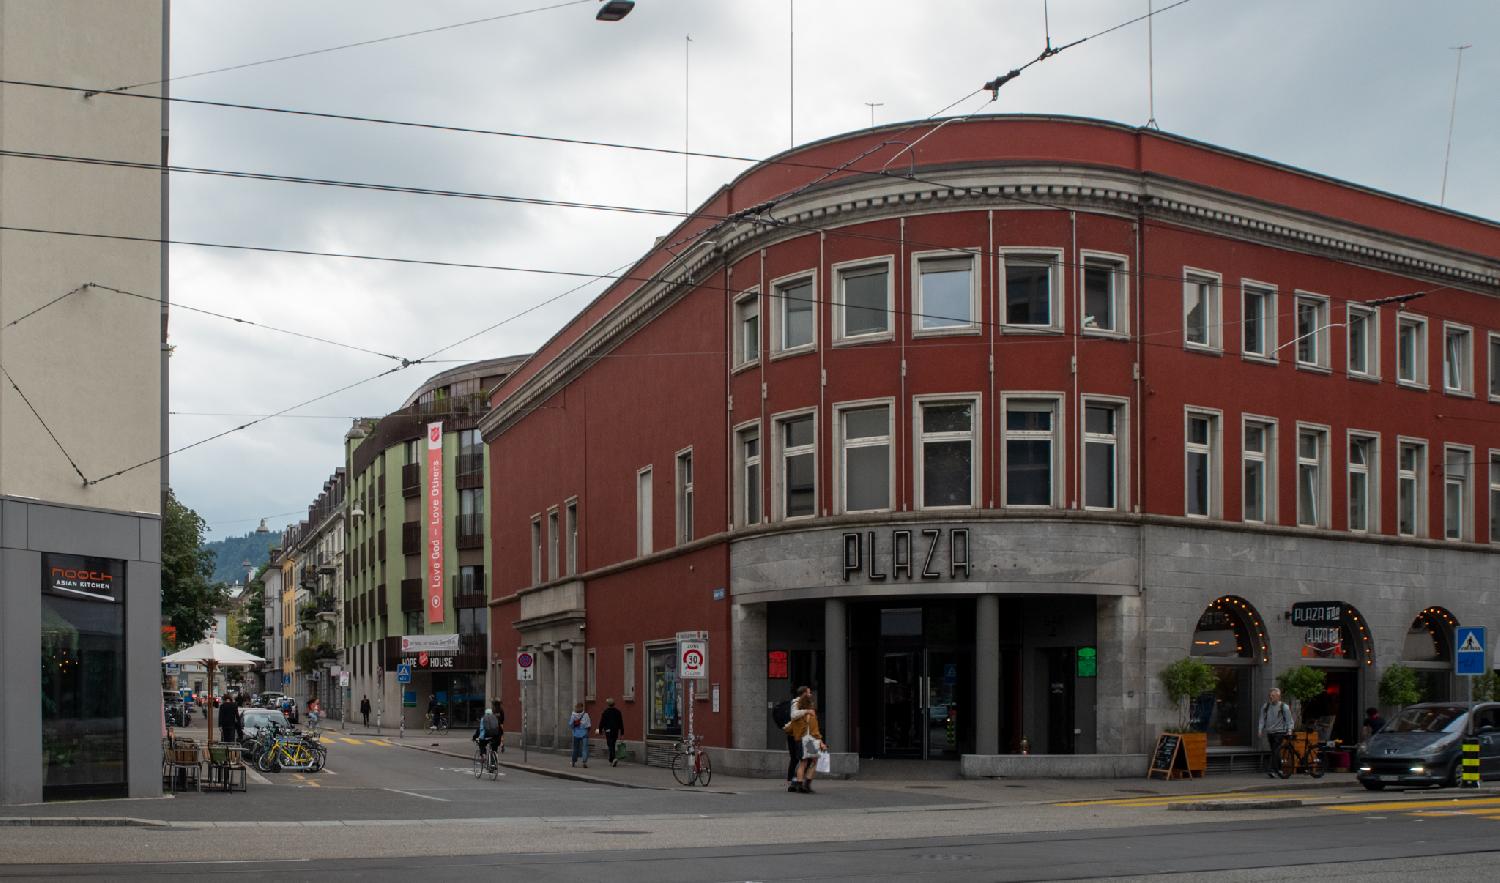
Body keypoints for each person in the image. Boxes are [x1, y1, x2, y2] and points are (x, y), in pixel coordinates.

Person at [785, 691, 826, 793]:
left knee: (803, 762)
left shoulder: (797, 716)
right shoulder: (811, 714)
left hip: (799, 740)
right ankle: (806, 784)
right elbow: (815, 731)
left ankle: (798, 784)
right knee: (814, 761)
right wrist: (821, 742)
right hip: (809, 741)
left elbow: (791, 724)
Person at [773, 686, 812, 788]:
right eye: (808, 693)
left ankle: (796, 781)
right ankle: (794, 781)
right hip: (796, 735)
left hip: (799, 735)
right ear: (803, 693)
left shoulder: (804, 703)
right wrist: (806, 711)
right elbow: (794, 715)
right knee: (798, 758)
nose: (810, 694)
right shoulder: (797, 703)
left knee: (800, 759)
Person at [1257, 687, 1292, 777]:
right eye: (1270, 696)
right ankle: (1279, 770)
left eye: (1273, 696)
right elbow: (1261, 718)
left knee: (1276, 750)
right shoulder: (1266, 706)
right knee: (1275, 751)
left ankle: (1272, 770)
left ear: (1278, 697)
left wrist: (1289, 730)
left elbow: (1289, 720)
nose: (1271, 697)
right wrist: (1260, 729)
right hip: (1270, 732)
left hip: (1280, 732)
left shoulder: (1284, 707)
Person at [598, 698, 625, 767]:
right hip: (615, 731)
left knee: (610, 744)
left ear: (608, 704)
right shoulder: (618, 712)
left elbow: (602, 722)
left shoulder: (605, 712)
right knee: (612, 744)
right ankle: (611, 759)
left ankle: (614, 758)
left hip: (608, 730)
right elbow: (621, 723)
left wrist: (600, 730)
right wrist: (622, 733)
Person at [568, 703, 592, 768]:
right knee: (585, 748)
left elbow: (570, 724)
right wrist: (587, 731)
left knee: (575, 748)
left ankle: (573, 761)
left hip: (576, 734)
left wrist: (574, 729)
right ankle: (584, 762)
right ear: (582, 707)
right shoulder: (585, 715)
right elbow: (589, 725)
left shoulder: (573, 715)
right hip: (584, 733)